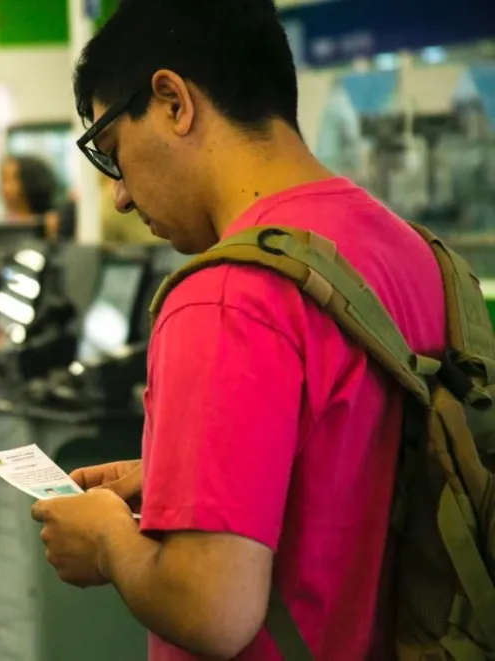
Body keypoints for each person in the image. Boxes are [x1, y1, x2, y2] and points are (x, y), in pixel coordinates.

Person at [30, 1, 445, 660]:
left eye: (113, 153)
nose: (122, 196)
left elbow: (213, 607)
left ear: (172, 101)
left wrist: (109, 540)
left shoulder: (223, 296)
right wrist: (189, 475)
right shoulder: (412, 252)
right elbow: (356, 461)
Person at [0, 154, 59, 221]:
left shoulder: (52, 221)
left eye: (8, 179)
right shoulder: (4, 222)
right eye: (2, 180)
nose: (3, 187)